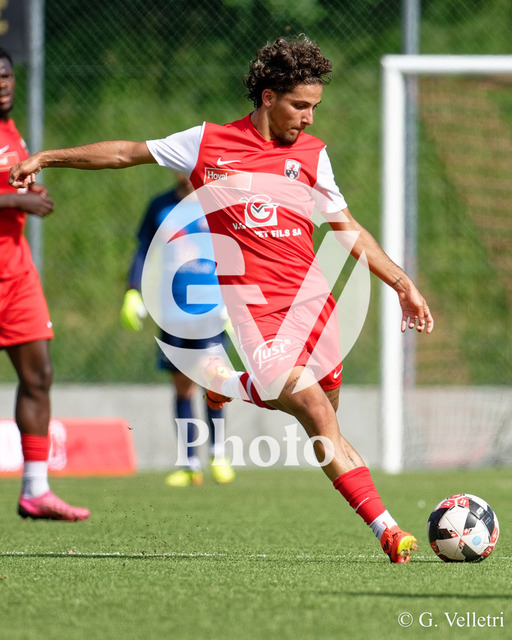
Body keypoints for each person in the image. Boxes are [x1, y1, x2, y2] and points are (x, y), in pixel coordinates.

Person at [9, 35, 433, 561]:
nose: (309, 118)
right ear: (268, 97)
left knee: (323, 421)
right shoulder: (206, 143)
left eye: (315, 107)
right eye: (300, 105)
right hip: (258, 317)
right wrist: (47, 157)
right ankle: (387, 529)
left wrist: (401, 284)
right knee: (316, 412)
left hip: (315, 312)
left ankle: (229, 383)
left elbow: (347, 231)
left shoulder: (312, 156)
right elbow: (125, 153)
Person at [0, 48, 90, 521]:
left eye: (6, 75)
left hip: (16, 275)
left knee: (39, 376)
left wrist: (27, 193)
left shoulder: (11, 130)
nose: (2, 84)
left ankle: (35, 490)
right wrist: (16, 202)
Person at [120, 172, 235, 487]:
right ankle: (189, 464)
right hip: (172, 312)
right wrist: (133, 290)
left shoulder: (218, 204)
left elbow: (239, 249)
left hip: (211, 310)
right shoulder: (160, 206)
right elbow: (143, 250)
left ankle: (218, 454)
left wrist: (236, 295)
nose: (183, 171)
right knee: (183, 387)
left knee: (214, 380)